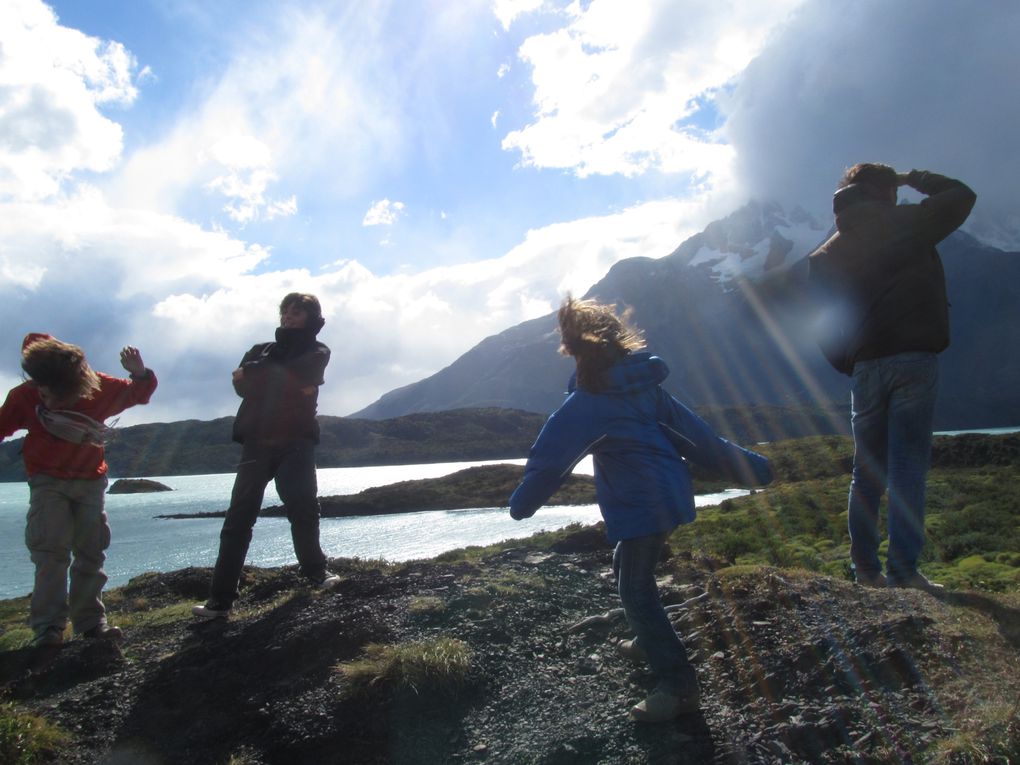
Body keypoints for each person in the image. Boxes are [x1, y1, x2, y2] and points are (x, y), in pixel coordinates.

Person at [508, 297, 773, 723]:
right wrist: (758, 469)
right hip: (670, 499)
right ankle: (647, 642)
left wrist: (521, 506)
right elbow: (703, 442)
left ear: (576, 351)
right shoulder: (647, 389)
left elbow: (549, 463)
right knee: (628, 567)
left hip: (641, 506)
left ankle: (678, 685)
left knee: (635, 589)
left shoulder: (586, 405)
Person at [808, 164, 976, 591]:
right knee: (907, 469)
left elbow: (821, 323)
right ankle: (903, 573)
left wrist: (849, 362)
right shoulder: (908, 223)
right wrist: (914, 176)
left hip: (865, 367)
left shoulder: (827, 252)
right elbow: (961, 195)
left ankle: (866, 572)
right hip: (914, 360)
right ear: (887, 192)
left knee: (867, 472)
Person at [0, 334, 157, 645]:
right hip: (47, 481)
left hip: (89, 481)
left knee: (89, 552)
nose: (44, 396)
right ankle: (49, 629)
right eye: (40, 389)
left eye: (51, 392)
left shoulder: (95, 385)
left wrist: (139, 372)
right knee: (50, 552)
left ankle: (90, 623)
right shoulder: (24, 396)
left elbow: (138, 393)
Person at [193, 293, 339, 620]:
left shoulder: (318, 350)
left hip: (296, 440)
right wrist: (280, 378)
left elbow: (299, 374)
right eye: (285, 311)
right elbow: (242, 385)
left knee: (302, 506)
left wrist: (259, 375)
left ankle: (317, 573)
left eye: (296, 312)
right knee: (239, 518)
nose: (288, 316)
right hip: (257, 440)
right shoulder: (261, 349)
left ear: (311, 317)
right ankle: (220, 601)